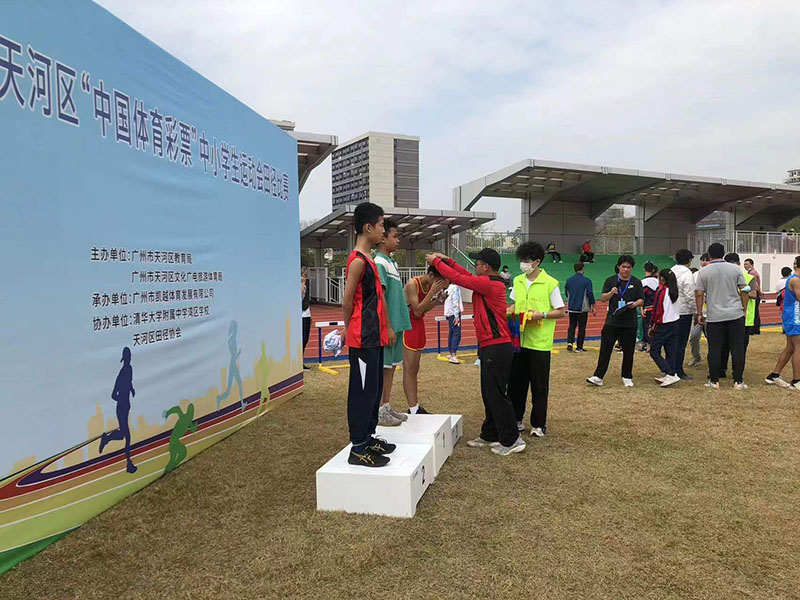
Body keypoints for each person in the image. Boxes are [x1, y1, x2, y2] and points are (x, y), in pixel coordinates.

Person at [428, 249, 526, 456]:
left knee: (496, 394)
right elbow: (464, 274)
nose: (475, 267)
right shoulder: (487, 281)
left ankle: (512, 439)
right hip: (491, 345)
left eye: (478, 264)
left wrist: (436, 262)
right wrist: (448, 260)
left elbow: (459, 278)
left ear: (486, 267)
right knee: (489, 392)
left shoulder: (489, 284)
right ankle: (491, 433)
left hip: (497, 346)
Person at [342, 202, 396, 467]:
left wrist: (386, 327)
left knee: (374, 391)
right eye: (381, 225)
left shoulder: (370, 259)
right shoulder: (357, 261)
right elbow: (347, 302)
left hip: (374, 337)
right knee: (362, 392)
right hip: (361, 338)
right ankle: (358, 447)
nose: (383, 231)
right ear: (368, 227)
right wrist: (348, 329)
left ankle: (369, 436)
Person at [507, 242, 566, 437]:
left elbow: (561, 311)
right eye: (521, 260)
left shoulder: (550, 283)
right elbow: (514, 305)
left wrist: (543, 315)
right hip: (519, 341)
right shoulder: (518, 280)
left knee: (539, 386)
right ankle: (516, 419)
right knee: (516, 384)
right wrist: (505, 312)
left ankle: (539, 425)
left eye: (527, 261)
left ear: (537, 262)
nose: (523, 264)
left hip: (540, 343)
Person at [694, 243, 748, 391]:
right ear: (724, 253)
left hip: (714, 316)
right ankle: (738, 381)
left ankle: (714, 380)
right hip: (735, 314)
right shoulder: (735, 269)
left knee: (714, 349)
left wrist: (699, 313)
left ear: (709, 255)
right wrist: (744, 308)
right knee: (737, 348)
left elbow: (699, 294)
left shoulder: (703, 272)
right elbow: (744, 289)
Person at [374, 219, 412, 427]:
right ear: (383, 238)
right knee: (383, 367)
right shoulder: (379, 262)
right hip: (388, 327)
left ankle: (386, 405)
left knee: (390, 368)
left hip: (397, 325)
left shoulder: (392, 263)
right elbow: (381, 297)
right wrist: (387, 326)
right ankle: (379, 409)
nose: (398, 240)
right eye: (394, 236)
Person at [586, 255, 644, 387]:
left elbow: (641, 300)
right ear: (618, 267)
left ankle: (627, 376)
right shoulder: (610, 280)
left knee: (628, 351)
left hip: (629, 322)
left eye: (629, 267)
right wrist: (611, 293)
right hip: (612, 321)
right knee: (605, 350)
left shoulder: (636, 282)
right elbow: (603, 298)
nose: (626, 269)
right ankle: (598, 376)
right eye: (623, 267)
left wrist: (634, 304)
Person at [402, 265, 448, 414]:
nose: (440, 285)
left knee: (415, 369)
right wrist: (432, 293)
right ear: (431, 275)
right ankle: (413, 408)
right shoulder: (412, 284)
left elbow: (423, 309)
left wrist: (437, 301)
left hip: (418, 325)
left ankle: (414, 406)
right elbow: (416, 310)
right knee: (409, 369)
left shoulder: (428, 286)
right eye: (439, 281)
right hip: (408, 325)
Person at [99, 347, 137, 473]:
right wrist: (122, 400)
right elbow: (113, 395)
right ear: (124, 359)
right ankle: (128, 463)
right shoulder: (121, 375)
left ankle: (107, 439)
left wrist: (131, 389)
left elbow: (129, 382)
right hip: (121, 409)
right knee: (126, 436)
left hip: (125, 408)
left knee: (123, 436)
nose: (129, 359)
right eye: (127, 358)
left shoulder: (129, 369)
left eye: (129, 357)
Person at [766, 256, 800, 389]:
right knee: (798, 347)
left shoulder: (794, 279)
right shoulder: (796, 280)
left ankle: (774, 375)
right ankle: (796, 381)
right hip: (795, 317)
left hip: (792, 317)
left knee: (790, 347)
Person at [722, 253, 758, 371]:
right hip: (728, 315)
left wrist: (738, 292)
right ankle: (724, 370)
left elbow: (754, 294)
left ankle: (736, 371)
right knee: (726, 346)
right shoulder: (723, 277)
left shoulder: (748, 277)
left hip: (744, 317)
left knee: (739, 347)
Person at [649, 269, 682, 387]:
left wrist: (652, 324)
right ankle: (671, 373)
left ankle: (670, 372)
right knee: (670, 350)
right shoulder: (675, 291)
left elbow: (657, 309)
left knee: (654, 351)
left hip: (663, 324)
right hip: (675, 322)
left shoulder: (661, 291)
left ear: (662, 279)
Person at [671, 249, 696, 380]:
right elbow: (690, 295)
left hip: (671, 311)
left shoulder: (671, 271)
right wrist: (695, 311)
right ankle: (678, 370)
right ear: (689, 260)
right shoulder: (687, 274)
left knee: (671, 342)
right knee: (681, 343)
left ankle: (670, 368)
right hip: (684, 311)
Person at [564, 261, 596, 352]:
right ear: (583, 269)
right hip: (582, 307)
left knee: (572, 325)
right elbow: (590, 293)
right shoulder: (587, 280)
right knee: (582, 327)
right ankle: (579, 346)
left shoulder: (569, 280)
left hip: (571, 306)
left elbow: (566, 292)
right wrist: (593, 305)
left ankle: (570, 342)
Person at [687, 253, 711, 367]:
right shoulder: (695, 275)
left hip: (711, 313)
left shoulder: (713, 274)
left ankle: (713, 359)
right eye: (703, 260)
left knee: (712, 338)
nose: (704, 262)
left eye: (707, 260)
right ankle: (696, 356)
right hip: (698, 312)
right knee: (693, 336)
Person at [640, 261, 659, 353]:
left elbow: (641, 297)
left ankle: (648, 344)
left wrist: (641, 309)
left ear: (644, 270)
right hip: (656, 308)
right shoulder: (658, 282)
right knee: (655, 326)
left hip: (647, 308)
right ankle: (652, 344)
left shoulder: (642, 282)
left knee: (646, 326)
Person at [444, 282, 464, 363]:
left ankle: (450, 352)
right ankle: (453, 355)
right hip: (454, 313)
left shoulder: (448, 288)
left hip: (449, 313)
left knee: (451, 332)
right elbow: (455, 301)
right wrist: (456, 316)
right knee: (456, 333)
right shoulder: (455, 287)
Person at [743, 258, 762, 335]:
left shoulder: (751, 273)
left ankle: (754, 329)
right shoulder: (753, 272)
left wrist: (759, 292)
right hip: (756, 293)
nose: (745, 266)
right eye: (744, 264)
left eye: (747, 264)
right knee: (756, 312)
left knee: (754, 312)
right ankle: (756, 329)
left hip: (753, 293)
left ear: (752, 265)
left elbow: (755, 285)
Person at [301, 262, 312, 371]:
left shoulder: (305, 282)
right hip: (301, 315)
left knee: (305, 338)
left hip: (306, 314)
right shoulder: (299, 282)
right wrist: (303, 282)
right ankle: (299, 362)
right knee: (302, 339)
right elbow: (300, 295)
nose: (305, 272)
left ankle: (301, 360)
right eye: (303, 270)